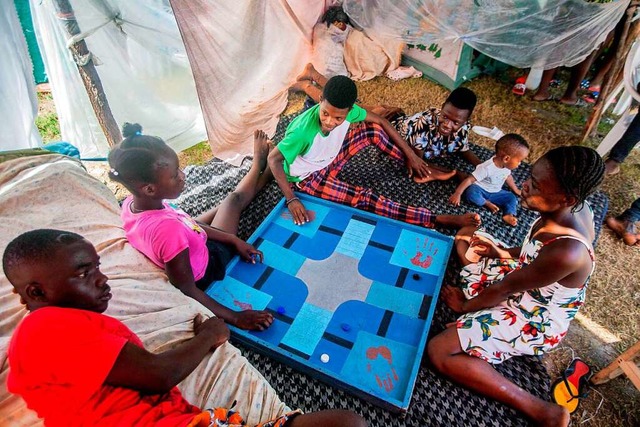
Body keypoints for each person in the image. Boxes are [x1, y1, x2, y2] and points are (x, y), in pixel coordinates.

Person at [3, 229, 367, 427]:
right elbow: (158, 375)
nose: (101, 279)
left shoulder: (70, 324)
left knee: (346, 423)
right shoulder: (45, 328)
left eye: (98, 267)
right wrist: (212, 333)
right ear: (37, 291)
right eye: (85, 273)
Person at [428, 146, 605, 427]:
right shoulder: (574, 207)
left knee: (439, 351)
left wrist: (465, 307)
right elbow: (532, 255)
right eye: (530, 177)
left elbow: (505, 289)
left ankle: (540, 409)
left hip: (535, 316)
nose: (524, 186)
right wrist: (500, 253)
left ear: (566, 198)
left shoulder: (568, 252)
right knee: (466, 237)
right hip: (525, 279)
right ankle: (476, 319)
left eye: (535, 185)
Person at [108, 123, 273, 331]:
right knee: (232, 201)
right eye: (175, 175)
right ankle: (260, 168)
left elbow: (187, 222)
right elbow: (186, 287)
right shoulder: (167, 230)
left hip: (188, 232)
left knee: (222, 207)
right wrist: (235, 317)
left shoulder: (132, 204)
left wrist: (233, 239)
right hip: (208, 264)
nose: (183, 175)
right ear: (149, 188)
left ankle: (262, 172)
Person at [269, 75, 481, 229]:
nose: (329, 122)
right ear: (321, 99)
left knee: (374, 130)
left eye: (338, 118)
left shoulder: (350, 112)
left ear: (350, 110)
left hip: (327, 160)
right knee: (366, 198)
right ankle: (434, 219)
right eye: (325, 114)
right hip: (307, 179)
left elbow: (380, 121)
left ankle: (422, 169)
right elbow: (273, 159)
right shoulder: (302, 132)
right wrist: (291, 198)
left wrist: (411, 155)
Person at [449, 134, 529, 226]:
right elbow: (469, 180)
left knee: (512, 198)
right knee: (471, 193)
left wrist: (515, 190)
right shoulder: (487, 168)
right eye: (519, 161)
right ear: (506, 158)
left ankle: (508, 214)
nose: (519, 164)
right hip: (480, 190)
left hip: (496, 192)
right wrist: (457, 193)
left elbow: (508, 177)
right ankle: (486, 203)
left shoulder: (506, 167)